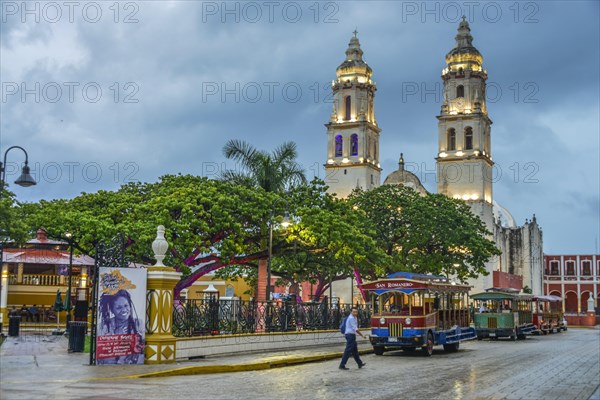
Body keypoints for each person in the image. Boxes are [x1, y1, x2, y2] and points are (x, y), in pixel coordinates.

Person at [98, 290, 144, 365]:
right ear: (112, 311)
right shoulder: (104, 326)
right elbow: (100, 353)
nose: (124, 310)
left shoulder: (138, 324)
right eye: (119, 308)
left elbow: (142, 351)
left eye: (126, 306)